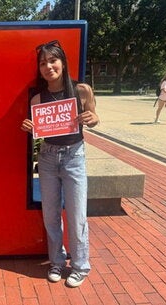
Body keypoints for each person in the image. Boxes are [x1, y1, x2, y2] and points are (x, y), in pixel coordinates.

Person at [21, 40, 99, 288]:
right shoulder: (36, 99)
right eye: (43, 63)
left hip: (74, 156)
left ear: (63, 63)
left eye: (53, 60)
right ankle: (57, 260)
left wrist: (91, 117)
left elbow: (95, 116)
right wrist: (28, 126)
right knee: (51, 215)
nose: (48, 66)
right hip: (47, 158)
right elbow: (36, 129)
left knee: (77, 215)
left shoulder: (82, 90)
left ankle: (80, 266)